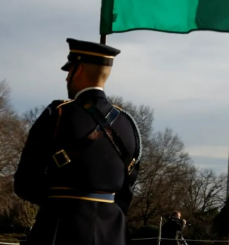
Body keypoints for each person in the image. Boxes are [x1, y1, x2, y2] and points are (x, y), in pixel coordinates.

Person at [14, 39, 141, 245]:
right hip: (114, 233)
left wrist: (59, 200)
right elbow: (126, 189)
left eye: (69, 71)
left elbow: (25, 182)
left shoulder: (58, 113)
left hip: (61, 228)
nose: (66, 79)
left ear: (78, 70)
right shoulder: (128, 123)